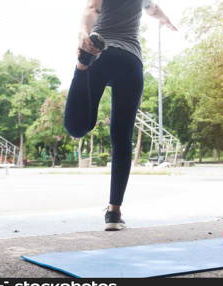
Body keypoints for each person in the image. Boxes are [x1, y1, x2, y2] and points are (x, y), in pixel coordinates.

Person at [63, 0, 177, 231]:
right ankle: (114, 213)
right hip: (130, 61)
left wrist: (84, 33)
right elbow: (152, 9)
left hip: (100, 53)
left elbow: (92, 9)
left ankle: (81, 67)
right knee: (121, 137)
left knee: (77, 128)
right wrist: (166, 21)